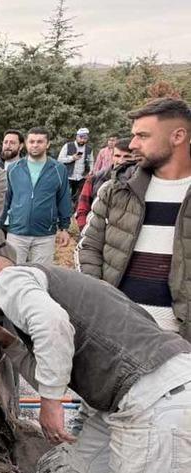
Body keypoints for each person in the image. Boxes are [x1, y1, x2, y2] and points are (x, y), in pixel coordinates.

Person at [0, 256, 191, 473]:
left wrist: (50, 402)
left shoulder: (9, 278)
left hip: (153, 394)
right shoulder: (49, 290)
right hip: (142, 391)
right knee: (78, 470)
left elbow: (52, 323)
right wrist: (9, 342)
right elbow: (51, 368)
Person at [77, 97, 191, 338]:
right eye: (133, 135)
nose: (133, 144)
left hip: (181, 339)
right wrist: (100, 302)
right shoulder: (118, 189)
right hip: (119, 331)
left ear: (178, 136)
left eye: (143, 136)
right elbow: (88, 247)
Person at [1, 127, 71, 265]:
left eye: (40, 141)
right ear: (26, 144)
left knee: (41, 273)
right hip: (16, 232)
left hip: (45, 234)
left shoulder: (58, 169)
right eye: (31, 141)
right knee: (13, 271)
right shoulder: (13, 168)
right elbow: (6, 199)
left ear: (47, 144)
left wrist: (64, 228)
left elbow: (63, 199)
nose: (35, 145)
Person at [74, 138, 136, 230]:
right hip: (95, 232)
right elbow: (82, 209)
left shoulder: (139, 182)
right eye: (117, 156)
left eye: (127, 157)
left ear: (135, 158)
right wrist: (84, 228)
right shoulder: (95, 179)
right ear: (112, 156)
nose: (121, 161)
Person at [57, 127, 94, 204]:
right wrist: (72, 158)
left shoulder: (89, 149)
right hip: (68, 176)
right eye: (81, 137)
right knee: (65, 197)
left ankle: (75, 210)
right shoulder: (68, 146)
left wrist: (90, 172)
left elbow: (91, 162)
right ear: (77, 137)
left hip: (82, 177)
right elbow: (59, 160)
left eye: (85, 138)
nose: (82, 140)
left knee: (79, 198)